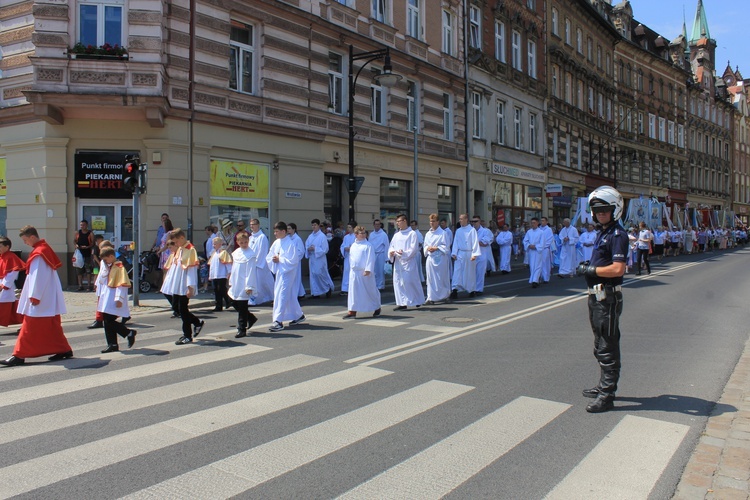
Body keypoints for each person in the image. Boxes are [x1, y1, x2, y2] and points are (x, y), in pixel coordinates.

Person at [576, 186, 628, 413]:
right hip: (598, 295)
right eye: (597, 211)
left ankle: (607, 395)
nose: (600, 214)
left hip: (608, 296)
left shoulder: (618, 235)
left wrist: (591, 269)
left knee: (608, 345)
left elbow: (618, 268)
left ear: (614, 210)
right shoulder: (603, 232)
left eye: (605, 210)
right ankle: (603, 386)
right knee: (599, 344)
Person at [0, 226, 72, 366]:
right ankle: (63, 349)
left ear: (32, 237)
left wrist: (34, 296)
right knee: (53, 325)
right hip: (47, 296)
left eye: (25, 240)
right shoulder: (42, 250)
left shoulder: (39, 253)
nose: (25, 243)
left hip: (40, 297)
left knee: (29, 325)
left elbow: (38, 277)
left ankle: (19, 355)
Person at [160, 229, 205, 345]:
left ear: (181, 238)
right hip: (177, 284)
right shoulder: (180, 249)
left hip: (184, 285)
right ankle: (197, 322)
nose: (175, 244)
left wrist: (190, 287)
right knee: (176, 308)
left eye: (176, 241)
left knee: (183, 310)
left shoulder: (190, 250)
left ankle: (187, 335)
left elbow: (191, 270)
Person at [266, 221, 305, 332]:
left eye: (277, 231)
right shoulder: (276, 243)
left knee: (281, 295)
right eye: (274, 231)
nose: (275, 233)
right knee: (290, 295)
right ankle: (298, 315)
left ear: (283, 231)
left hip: (287, 273)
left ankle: (278, 321)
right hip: (280, 272)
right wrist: (273, 260)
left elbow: (293, 261)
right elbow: (270, 255)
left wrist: (280, 260)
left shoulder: (290, 244)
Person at [97, 247, 137, 353]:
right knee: (106, 320)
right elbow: (102, 279)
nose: (104, 262)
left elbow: (121, 285)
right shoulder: (109, 266)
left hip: (114, 298)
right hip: (107, 297)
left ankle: (129, 333)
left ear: (111, 256)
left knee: (109, 320)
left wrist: (119, 299)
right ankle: (112, 344)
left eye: (106, 259)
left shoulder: (119, 267)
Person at [343, 226, 381, 318]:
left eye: (365, 233)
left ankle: (376, 307)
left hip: (364, 272)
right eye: (361, 233)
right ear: (356, 235)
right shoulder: (353, 245)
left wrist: (368, 270)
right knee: (354, 292)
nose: (364, 235)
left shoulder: (368, 245)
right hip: (354, 272)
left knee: (369, 291)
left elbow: (371, 258)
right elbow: (351, 258)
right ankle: (352, 311)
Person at [388, 214, 424, 310]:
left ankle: (417, 300)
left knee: (410, 281)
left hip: (408, 261)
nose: (397, 223)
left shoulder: (412, 234)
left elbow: (413, 249)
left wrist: (403, 253)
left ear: (404, 221)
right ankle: (402, 303)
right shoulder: (396, 235)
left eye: (399, 221)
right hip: (398, 263)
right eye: (397, 221)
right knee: (399, 282)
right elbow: (391, 246)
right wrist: (391, 253)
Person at [227, 231, 259, 338]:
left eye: (246, 242)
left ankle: (242, 328)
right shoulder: (236, 252)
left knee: (242, 306)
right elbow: (234, 268)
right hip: (236, 282)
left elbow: (251, 271)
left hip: (244, 283)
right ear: (238, 242)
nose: (244, 244)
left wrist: (249, 286)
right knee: (233, 301)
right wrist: (231, 280)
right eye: (241, 243)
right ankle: (250, 318)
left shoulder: (250, 254)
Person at [450, 214, 480, 299]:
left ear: (466, 219)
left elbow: (475, 242)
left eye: (461, 219)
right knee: (457, 272)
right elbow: (455, 242)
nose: (460, 220)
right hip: (460, 254)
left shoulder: (472, 230)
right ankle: (454, 290)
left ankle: (471, 290)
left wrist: (474, 254)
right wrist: (454, 253)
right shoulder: (458, 231)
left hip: (469, 253)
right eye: (459, 219)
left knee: (470, 273)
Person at [423, 213, 451, 304]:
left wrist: (436, 248)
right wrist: (428, 248)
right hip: (431, 259)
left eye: (434, 221)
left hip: (441, 259)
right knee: (431, 278)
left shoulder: (443, 233)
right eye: (430, 221)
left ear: (438, 222)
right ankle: (430, 297)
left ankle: (445, 295)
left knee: (442, 278)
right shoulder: (428, 234)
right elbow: (425, 245)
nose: (432, 223)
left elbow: (446, 246)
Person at [248, 219, 275, 305]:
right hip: (252, 264)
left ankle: (274, 296)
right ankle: (256, 299)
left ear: (258, 225)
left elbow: (262, 252)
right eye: (251, 224)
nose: (252, 226)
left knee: (266, 282)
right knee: (256, 283)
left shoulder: (262, 237)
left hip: (260, 264)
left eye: (254, 224)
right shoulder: (251, 237)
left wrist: (256, 263)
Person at [305, 219, 334, 299]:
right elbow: (306, 245)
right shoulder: (310, 236)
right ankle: (315, 292)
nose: (313, 227)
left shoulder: (322, 236)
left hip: (320, 258)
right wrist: (308, 248)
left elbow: (325, 249)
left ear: (318, 226)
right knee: (313, 275)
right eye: (312, 225)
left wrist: (316, 249)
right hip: (312, 258)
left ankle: (327, 287)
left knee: (319, 274)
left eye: (315, 225)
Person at [0, 237, 24, 328]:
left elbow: (13, 272)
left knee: (8, 308)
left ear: (7, 246)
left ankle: (25, 325)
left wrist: (4, 285)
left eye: (0, 246)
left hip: (7, 288)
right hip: (3, 285)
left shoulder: (11, 257)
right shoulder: (2, 257)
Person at [207, 236, 232, 311]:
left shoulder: (223, 252)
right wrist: (211, 275)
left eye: (215, 244)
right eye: (213, 244)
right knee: (216, 290)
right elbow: (212, 265)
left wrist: (229, 272)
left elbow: (228, 264)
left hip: (222, 274)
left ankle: (228, 300)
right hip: (215, 275)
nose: (213, 245)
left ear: (220, 244)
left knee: (222, 289)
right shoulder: (214, 253)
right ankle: (218, 305)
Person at [287, 223, 307, 300]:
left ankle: (295, 294)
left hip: (295, 262)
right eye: (287, 229)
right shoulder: (288, 238)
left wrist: (294, 258)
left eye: (289, 228)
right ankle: (301, 293)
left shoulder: (297, 239)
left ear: (294, 229)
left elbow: (301, 251)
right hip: (289, 261)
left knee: (296, 278)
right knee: (292, 278)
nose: (288, 230)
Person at [523, 218, 545, 288]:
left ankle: (535, 280)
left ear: (538, 223)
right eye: (532, 223)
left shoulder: (541, 232)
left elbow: (542, 243)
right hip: (531, 251)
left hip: (537, 251)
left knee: (538, 266)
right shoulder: (529, 232)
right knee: (532, 266)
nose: (533, 224)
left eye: (534, 222)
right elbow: (525, 241)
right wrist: (529, 245)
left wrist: (536, 246)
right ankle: (534, 279)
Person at [473, 217, 493, 294]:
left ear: (480, 222)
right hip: (472, 255)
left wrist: (474, 243)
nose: (474, 223)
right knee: (472, 273)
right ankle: (472, 288)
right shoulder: (471, 231)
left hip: (481, 254)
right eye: (473, 221)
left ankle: (478, 289)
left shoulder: (485, 231)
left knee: (480, 273)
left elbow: (484, 243)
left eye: (476, 221)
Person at [73, 219, 95, 291]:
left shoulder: (90, 233)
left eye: (84, 225)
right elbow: (75, 241)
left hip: (87, 254)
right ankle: (80, 285)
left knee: (88, 270)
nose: (82, 226)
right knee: (79, 270)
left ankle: (89, 285)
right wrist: (76, 245)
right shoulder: (78, 233)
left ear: (87, 225)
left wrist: (88, 247)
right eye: (81, 225)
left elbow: (93, 243)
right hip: (79, 254)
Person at [368, 219, 389, 291]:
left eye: (378, 224)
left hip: (381, 254)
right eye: (376, 224)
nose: (377, 226)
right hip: (373, 254)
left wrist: (387, 258)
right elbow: (369, 245)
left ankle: (381, 285)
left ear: (380, 225)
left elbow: (386, 246)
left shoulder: (383, 234)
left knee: (380, 271)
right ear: (373, 225)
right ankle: (375, 285)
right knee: (374, 271)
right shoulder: (371, 234)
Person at [339, 221, 356, 296]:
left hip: (354, 257)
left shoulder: (356, 236)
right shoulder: (346, 237)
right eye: (347, 227)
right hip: (347, 257)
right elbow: (342, 246)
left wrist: (351, 248)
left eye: (350, 227)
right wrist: (344, 248)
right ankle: (345, 288)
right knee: (346, 272)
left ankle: (352, 288)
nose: (348, 229)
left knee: (352, 272)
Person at [539, 217, 555, 283]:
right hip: (539, 249)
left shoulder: (548, 230)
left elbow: (550, 239)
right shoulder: (538, 229)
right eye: (541, 220)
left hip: (545, 249)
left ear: (546, 222)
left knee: (545, 263)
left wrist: (544, 246)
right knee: (539, 263)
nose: (542, 222)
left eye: (543, 221)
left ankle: (546, 278)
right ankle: (539, 277)